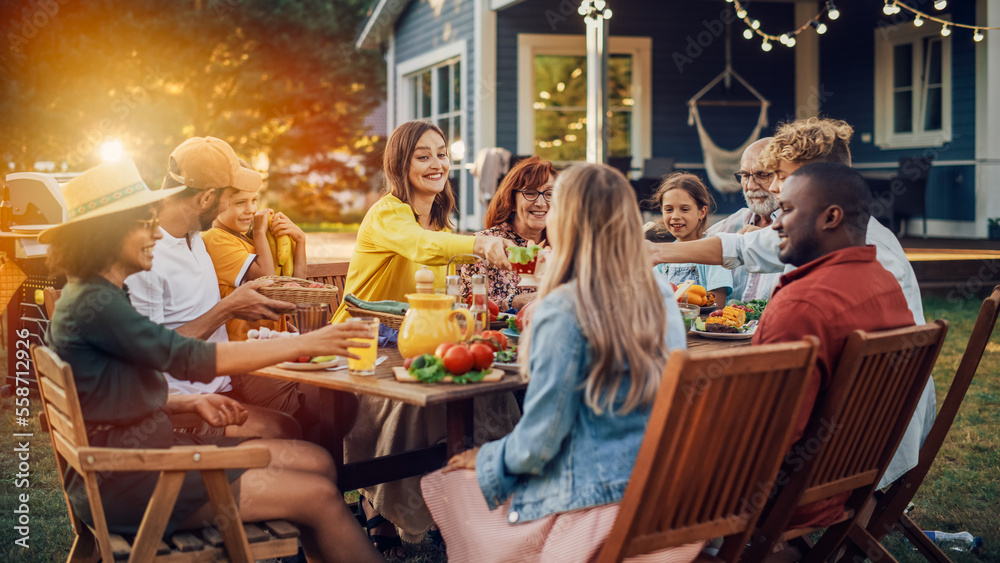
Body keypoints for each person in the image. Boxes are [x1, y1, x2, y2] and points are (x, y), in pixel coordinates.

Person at [41, 158, 381, 562]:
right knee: (320, 495)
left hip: (140, 464)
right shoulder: (97, 306)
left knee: (319, 462)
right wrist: (314, 341)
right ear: (107, 234)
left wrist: (187, 402)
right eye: (144, 223)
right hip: (140, 483)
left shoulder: (93, 296)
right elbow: (190, 357)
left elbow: (102, 392)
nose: (155, 233)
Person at [419, 163, 702, 562]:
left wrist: (485, 458)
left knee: (454, 480)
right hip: (670, 496)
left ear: (563, 220)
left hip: (599, 507)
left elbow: (540, 443)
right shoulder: (656, 289)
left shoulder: (564, 306)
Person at [647, 118, 932, 489]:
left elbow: (776, 425)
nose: (772, 187)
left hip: (834, 460)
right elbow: (740, 246)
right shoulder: (846, 238)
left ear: (818, 182)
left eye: (778, 175)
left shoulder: (817, 292)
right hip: (865, 445)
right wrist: (654, 250)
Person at [332, 120, 521, 555]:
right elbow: (419, 247)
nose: (437, 163)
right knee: (416, 404)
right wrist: (477, 244)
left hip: (413, 340)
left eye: (441, 154)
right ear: (401, 164)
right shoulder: (387, 214)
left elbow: (436, 293)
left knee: (491, 394)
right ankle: (382, 505)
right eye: (423, 156)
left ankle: (485, 502)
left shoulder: (439, 222)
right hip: (362, 343)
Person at [752, 162, 918, 526]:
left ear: (831, 217)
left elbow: (765, 435)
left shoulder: (803, 305)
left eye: (788, 210)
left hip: (780, 499)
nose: (776, 223)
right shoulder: (885, 284)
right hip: (846, 483)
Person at [127, 137, 317, 440]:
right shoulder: (146, 256)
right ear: (206, 200)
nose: (243, 208)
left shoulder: (194, 238)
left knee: (323, 399)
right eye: (232, 199)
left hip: (225, 381)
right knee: (295, 428)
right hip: (185, 409)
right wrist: (228, 308)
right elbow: (151, 354)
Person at [202, 158, 308, 342]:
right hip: (244, 345)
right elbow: (265, 278)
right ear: (214, 203)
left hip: (272, 339)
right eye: (240, 202)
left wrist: (300, 241)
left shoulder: (252, 240)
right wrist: (260, 232)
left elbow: (294, 287)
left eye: (254, 200)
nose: (251, 209)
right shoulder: (216, 238)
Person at [461, 156, 557, 311]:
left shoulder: (563, 246)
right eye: (530, 193)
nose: (541, 203)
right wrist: (512, 302)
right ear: (511, 201)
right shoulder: (485, 244)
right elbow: (468, 306)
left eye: (549, 194)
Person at [705, 137, 783, 302]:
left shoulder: (798, 227)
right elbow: (694, 250)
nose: (750, 186)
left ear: (781, 177)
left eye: (762, 175)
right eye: (745, 175)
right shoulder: (729, 226)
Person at [649, 172, 732, 306]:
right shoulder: (662, 257)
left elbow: (717, 303)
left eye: (685, 209)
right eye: (668, 209)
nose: (675, 216)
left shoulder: (712, 253)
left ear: (702, 212)